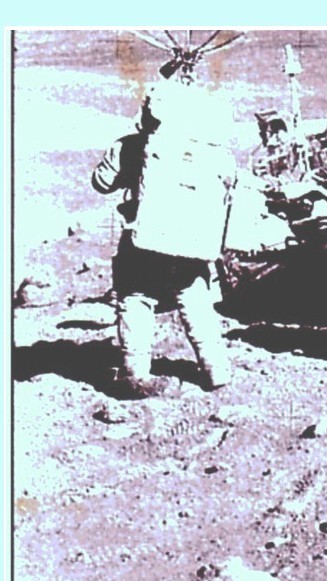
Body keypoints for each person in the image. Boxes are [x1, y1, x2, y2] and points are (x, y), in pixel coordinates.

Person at [92, 80, 234, 397]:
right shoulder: (213, 151)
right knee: (194, 298)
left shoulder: (130, 146)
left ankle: (135, 373)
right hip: (190, 238)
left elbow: (101, 182)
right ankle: (216, 369)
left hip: (143, 239)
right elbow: (227, 186)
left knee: (135, 298)